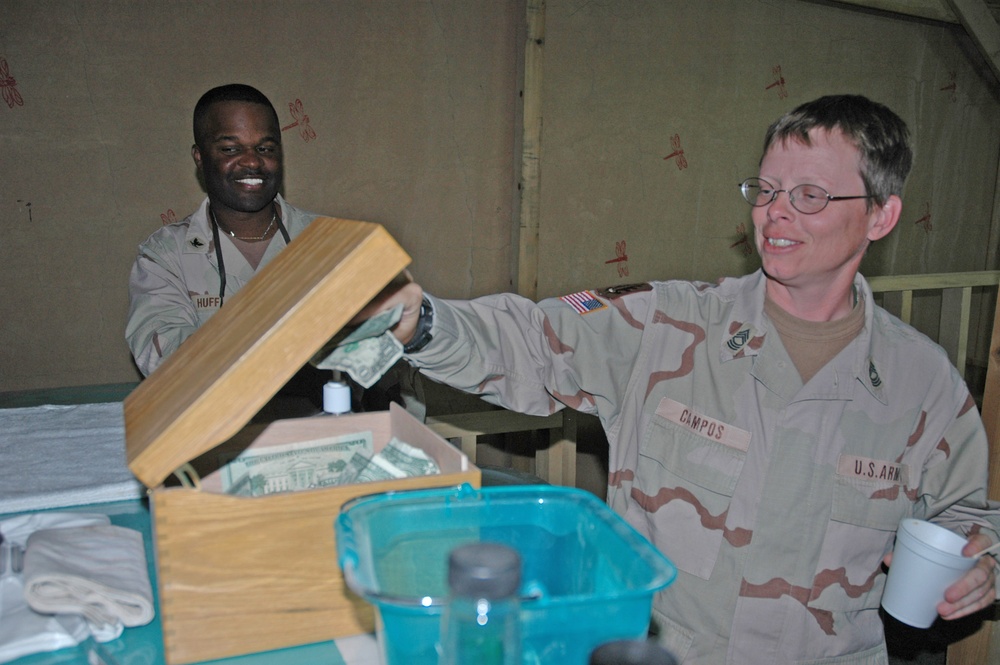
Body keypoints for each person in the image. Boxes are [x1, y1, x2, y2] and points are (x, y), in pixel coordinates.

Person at [374, 95, 1000, 663]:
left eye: (809, 195)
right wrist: (423, 322)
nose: (774, 214)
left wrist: (982, 562)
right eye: (766, 189)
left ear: (881, 217)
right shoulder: (667, 325)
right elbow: (530, 342)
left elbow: (966, 514)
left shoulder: (922, 383)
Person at [126, 83, 421, 415]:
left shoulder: (334, 243)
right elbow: (166, 363)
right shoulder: (166, 255)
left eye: (266, 148)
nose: (252, 161)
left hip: (328, 437)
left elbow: (393, 365)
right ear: (199, 156)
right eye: (230, 149)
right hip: (216, 444)